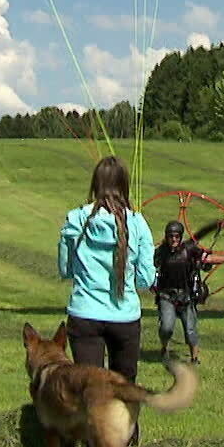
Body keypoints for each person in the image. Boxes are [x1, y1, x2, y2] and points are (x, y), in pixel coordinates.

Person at [57, 156, 157, 389]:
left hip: (85, 313)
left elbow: (65, 269)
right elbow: (145, 279)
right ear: (124, 185)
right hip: (125, 316)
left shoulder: (76, 218)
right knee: (124, 392)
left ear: (95, 184)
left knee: (89, 391)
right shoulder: (137, 222)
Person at [154, 220, 224, 365]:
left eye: (176, 236)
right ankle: (164, 348)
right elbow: (147, 265)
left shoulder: (190, 249)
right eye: (170, 236)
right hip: (166, 296)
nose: (173, 239)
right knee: (166, 328)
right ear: (166, 236)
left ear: (181, 237)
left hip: (186, 297)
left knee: (190, 331)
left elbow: (208, 259)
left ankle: (194, 359)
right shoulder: (161, 252)